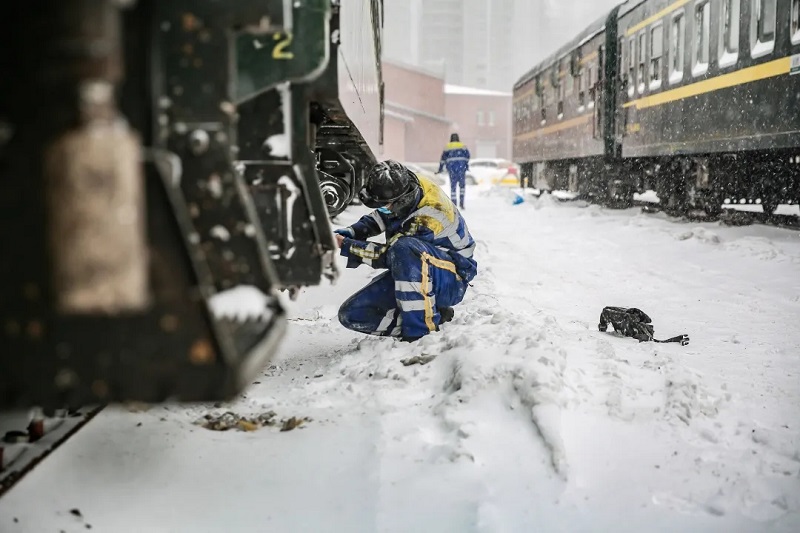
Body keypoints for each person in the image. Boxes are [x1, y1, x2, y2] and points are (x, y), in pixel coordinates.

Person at [335, 160, 477, 342]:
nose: (383, 209)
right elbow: (383, 215)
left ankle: (421, 333)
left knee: (403, 249)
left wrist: (346, 245)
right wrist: (352, 232)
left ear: (401, 200)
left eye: (386, 205)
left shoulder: (427, 218)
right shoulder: (407, 186)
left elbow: (389, 255)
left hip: (452, 279)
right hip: (422, 269)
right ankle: (435, 314)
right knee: (352, 314)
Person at [437, 133, 471, 209]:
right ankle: (462, 203)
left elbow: (442, 160)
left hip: (452, 170)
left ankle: (454, 204)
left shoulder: (447, 147)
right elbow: (468, 156)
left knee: (453, 187)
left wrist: (440, 169)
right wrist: (466, 165)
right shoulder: (463, 146)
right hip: (461, 170)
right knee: (462, 187)